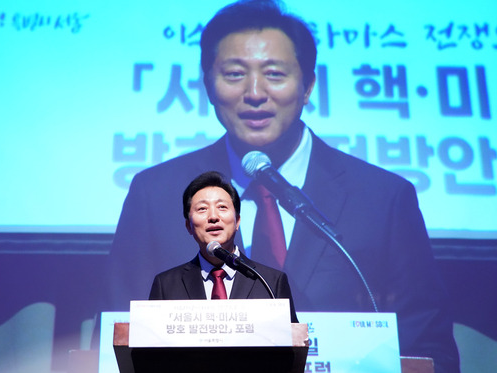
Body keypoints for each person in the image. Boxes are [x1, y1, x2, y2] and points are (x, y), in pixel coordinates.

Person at [106, 0, 459, 371]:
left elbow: (429, 347)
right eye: (234, 74)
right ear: (207, 85)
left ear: (308, 86)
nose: (255, 92)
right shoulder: (155, 194)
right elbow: (119, 335)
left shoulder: (383, 199)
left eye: (274, 74)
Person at [148, 171, 299, 323]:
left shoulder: (270, 281)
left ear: (237, 221)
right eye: (202, 209)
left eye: (222, 207)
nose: (213, 217)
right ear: (189, 226)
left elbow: (293, 343)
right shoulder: (166, 285)